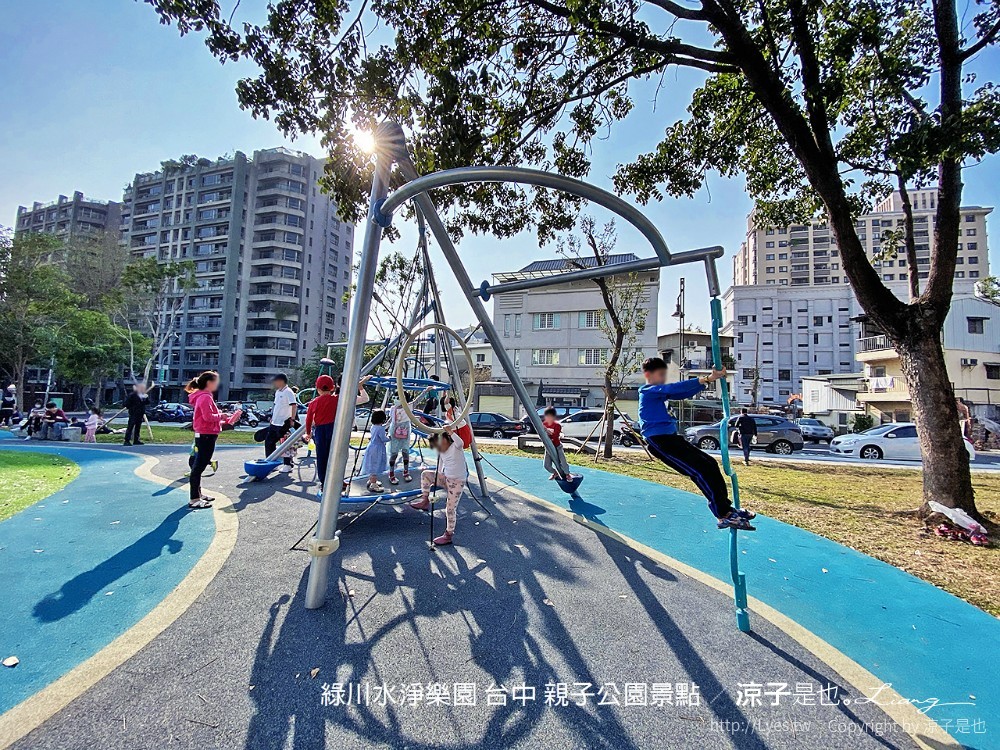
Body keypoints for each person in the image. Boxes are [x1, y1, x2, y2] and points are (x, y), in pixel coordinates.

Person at [638, 357, 756, 531]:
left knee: (710, 464)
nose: (663, 378)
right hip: (659, 441)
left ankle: (726, 509)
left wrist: (708, 381)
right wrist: (707, 378)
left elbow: (681, 393)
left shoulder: (659, 393)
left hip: (671, 438)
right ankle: (723, 515)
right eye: (660, 374)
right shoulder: (647, 391)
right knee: (699, 470)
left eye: (664, 375)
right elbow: (673, 388)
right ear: (648, 375)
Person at [303, 374, 370, 490]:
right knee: (336, 456)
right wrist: (360, 385)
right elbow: (358, 397)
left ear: (318, 389)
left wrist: (308, 433)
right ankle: (338, 480)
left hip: (320, 430)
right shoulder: (338, 399)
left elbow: (308, 419)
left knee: (322, 457)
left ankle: (324, 482)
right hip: (334, 429)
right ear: (332, 387)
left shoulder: (314, 402)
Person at [409, 428, 469, 546]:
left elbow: (461, 442)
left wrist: (450, 431)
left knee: (450, 509)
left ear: (447, 440)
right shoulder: (441, 451)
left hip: (457, 482)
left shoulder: (456, 447)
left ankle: (448, 535)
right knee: (426, 474)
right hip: (446, 479)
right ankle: (425, 500)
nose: (439, 446)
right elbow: (440, 468)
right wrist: (436, 477)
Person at [186, 371, 224, 510]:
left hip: (205, 434)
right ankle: (194, 499)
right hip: (206, 435)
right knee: (198, 467)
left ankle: (198, 495)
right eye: (216, 382)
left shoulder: (203, 396)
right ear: (209, 383)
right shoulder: (205, 397)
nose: (218, 384)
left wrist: (220, 418)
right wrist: (221, 415)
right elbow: (208, 417)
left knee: (198, 465)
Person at [266, 373, 298, 474]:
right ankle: (272, 463)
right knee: (269, 442)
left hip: (284, 423)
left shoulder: (288, 392)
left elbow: (294, 405)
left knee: (285, 444)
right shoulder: (278, 392)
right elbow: (276, 406)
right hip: (275, 422)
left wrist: (292, 419)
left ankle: (288, 465)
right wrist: (272, 417)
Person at [540, 407, 575, 480]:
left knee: (562, 461)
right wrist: (545, 432)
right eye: (547, 416)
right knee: (546, 465)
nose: (548, 418)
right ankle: (555, 473)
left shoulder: (557, 425)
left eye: (550, 416)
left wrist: (547, 431)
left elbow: (555, 436)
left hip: (557, 446)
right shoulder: (544, 424)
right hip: (548, 447)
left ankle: (567, 474)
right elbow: (541, 435)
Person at [360, 409, 389, 493]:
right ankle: (373, 484)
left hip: (371, 447)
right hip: (378, 449)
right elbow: (383, 438)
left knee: (372, 464)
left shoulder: (373, 427)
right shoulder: (381, 429)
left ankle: (372, 480)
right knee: (376, 465)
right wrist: (390, 438)